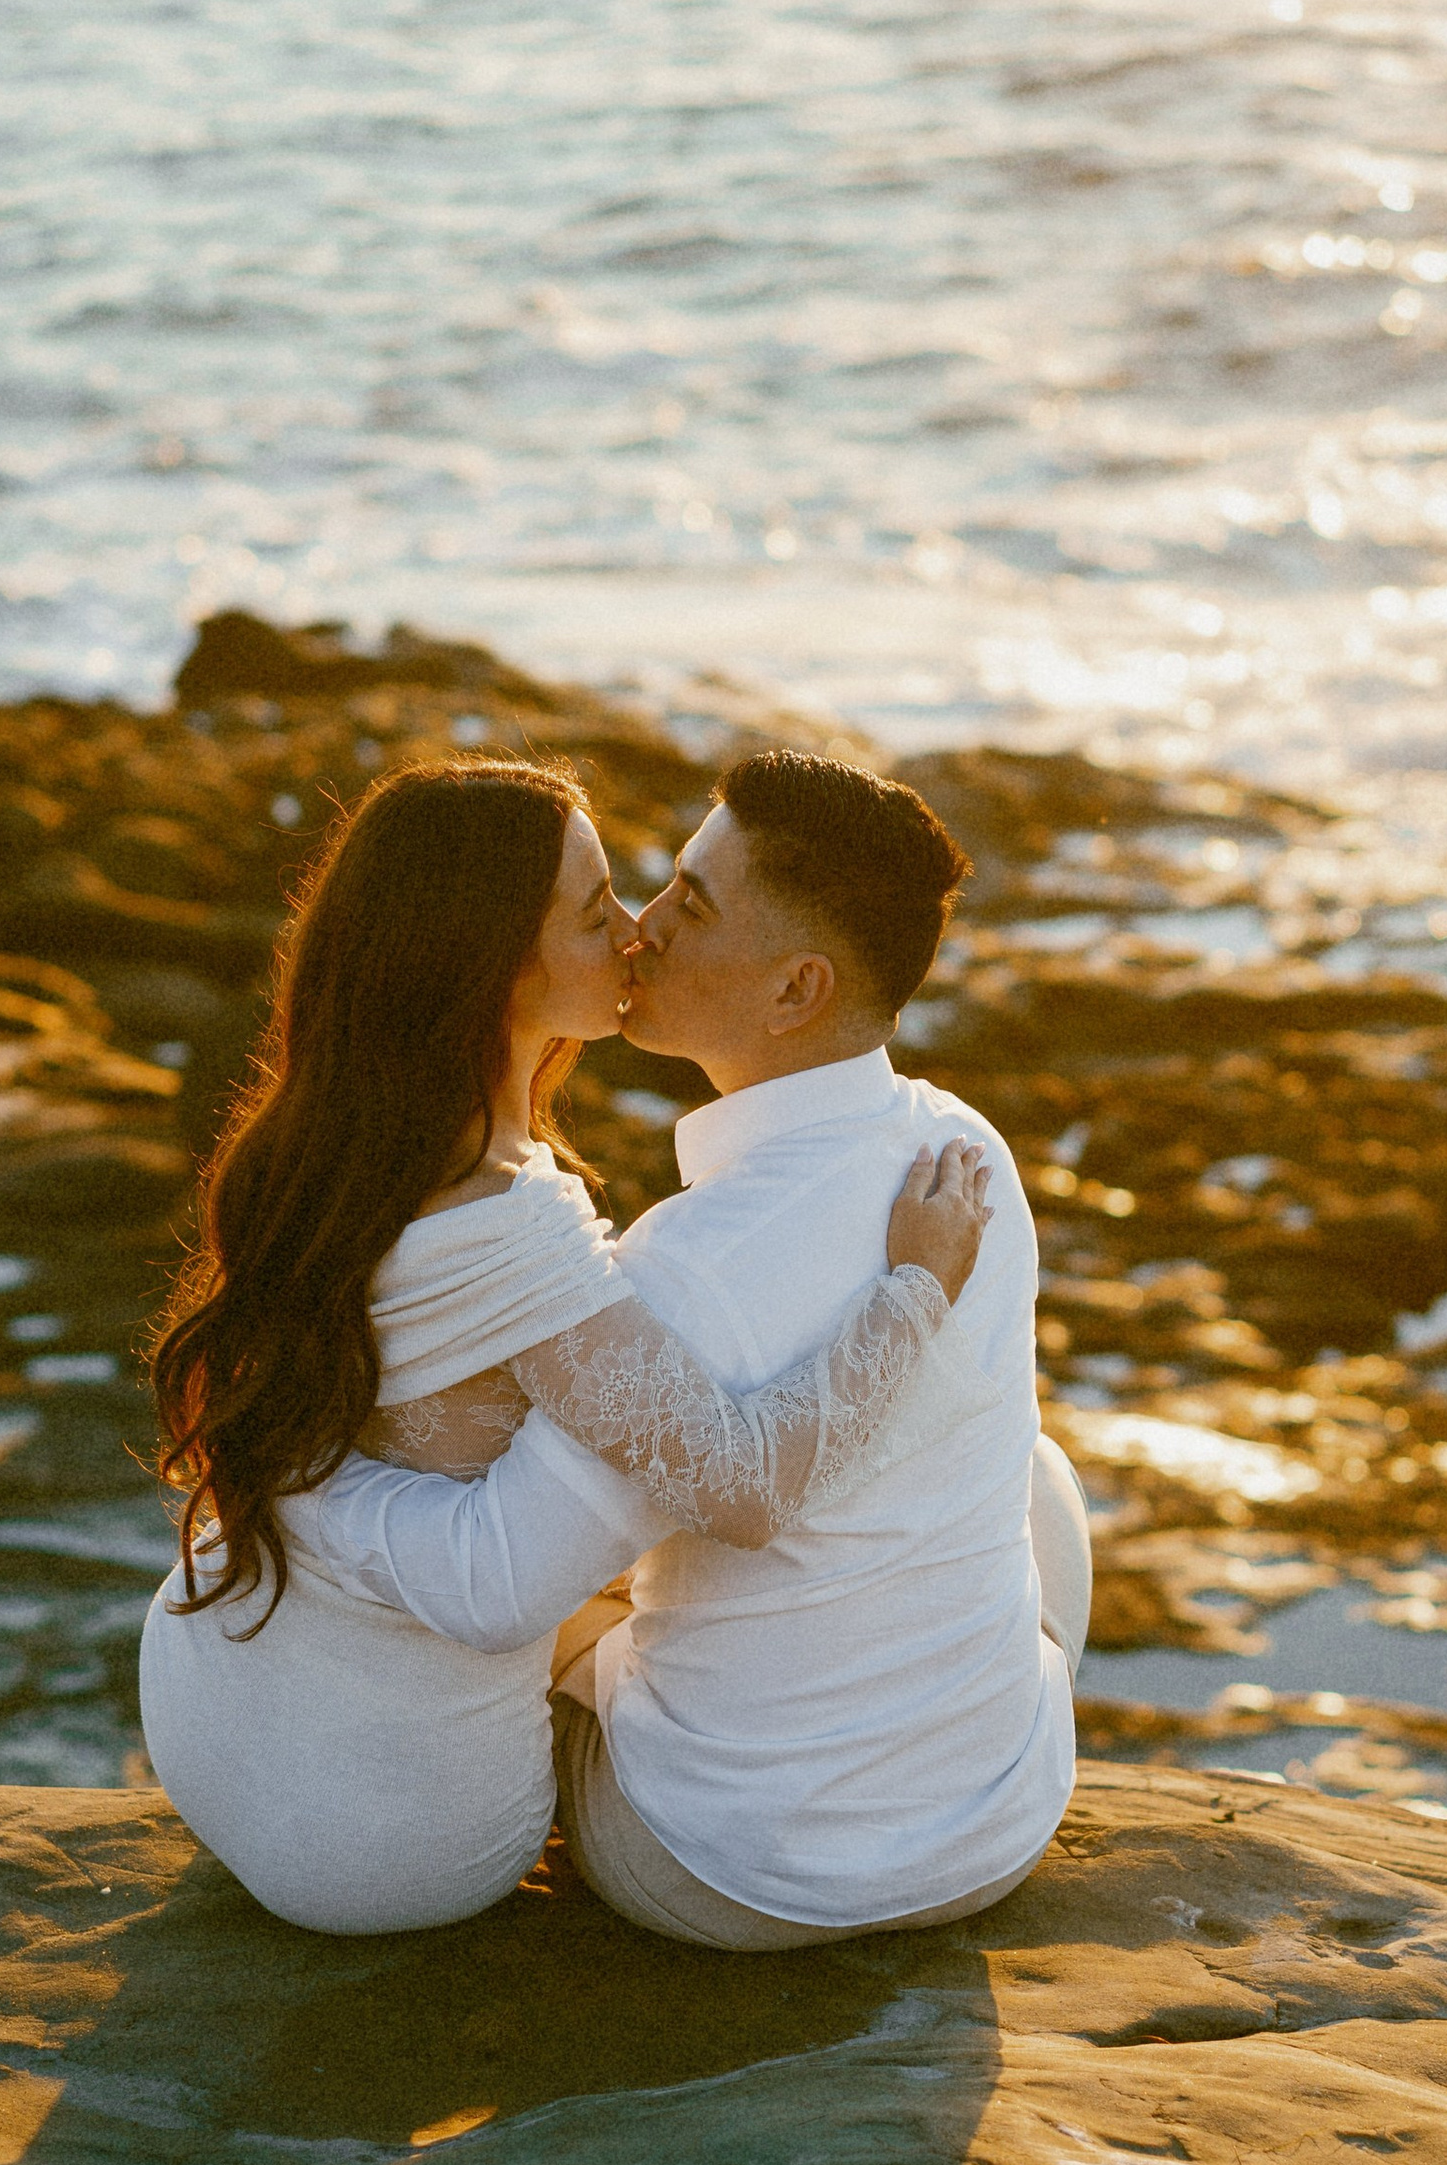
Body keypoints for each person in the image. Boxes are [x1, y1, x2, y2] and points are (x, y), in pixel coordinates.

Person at [138, 757, 989, 1933]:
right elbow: (738, 1488)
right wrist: (914, 1293)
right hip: (386, 1836)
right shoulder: (507, 1226)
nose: (637, 935)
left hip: (202, 1691)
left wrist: (283, 1483)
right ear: (495, 967)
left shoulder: (335, 1140)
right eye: (598, 914)